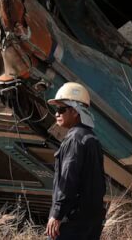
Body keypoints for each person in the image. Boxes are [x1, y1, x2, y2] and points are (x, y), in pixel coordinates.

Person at [45, 82, 106, 240]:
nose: (56, 114)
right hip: (91, 221)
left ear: (75, 111)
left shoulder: (74, 140)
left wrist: (57, 214)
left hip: (72, 220)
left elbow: (68, 180)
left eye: (61, 109)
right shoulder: (91, 138)